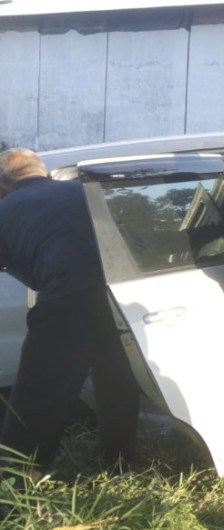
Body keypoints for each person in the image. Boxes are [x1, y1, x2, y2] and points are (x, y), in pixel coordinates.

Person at [0, 148, 139, 472]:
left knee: (39, 393)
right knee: (116, 379)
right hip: (123, 297)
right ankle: (118, 462)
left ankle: (18, 479)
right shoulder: (87, 191)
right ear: (46, 175)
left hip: (66, 299)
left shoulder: (6, 209)